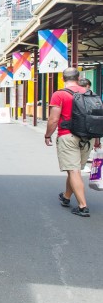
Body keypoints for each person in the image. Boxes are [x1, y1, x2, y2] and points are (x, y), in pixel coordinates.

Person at [45, 67, 100, 217]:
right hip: (87, 137)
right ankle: (66, 196)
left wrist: (47, 135)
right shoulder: (90, 93)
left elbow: (54, 118)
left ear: (63, 79)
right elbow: (96, 118)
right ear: (79, 77)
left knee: (73, 170)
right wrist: (97, 139)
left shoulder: (59, 94)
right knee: (74, 169)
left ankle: (83, 206)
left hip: (67, 136)